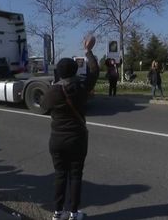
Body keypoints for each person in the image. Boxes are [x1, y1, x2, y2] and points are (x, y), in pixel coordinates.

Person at [41, 35, 99, 220]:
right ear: (75, 71)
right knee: (75, 175)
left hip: (57, 139)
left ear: (58, 72)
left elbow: (43, 107)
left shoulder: (52, 92)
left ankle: (57, 213)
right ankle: (74, 213)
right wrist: (88, 51)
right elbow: (95, 71)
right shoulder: (81, 87)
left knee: (60, 175)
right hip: (77, 139)